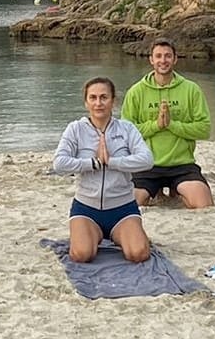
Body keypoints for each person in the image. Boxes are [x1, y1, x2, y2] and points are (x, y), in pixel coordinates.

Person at [50, 77, 156, 263]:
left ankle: (124, 234)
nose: (98, 103)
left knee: (138, 254)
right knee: (82, 255)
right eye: (93, 98)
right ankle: (93, 234)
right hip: (86, 208)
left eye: (104, 97)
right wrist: (94, 163)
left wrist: (112, 162)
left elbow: (147, 160)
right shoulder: (75, 129)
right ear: (86, 102)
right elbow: (59, 164)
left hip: (123, 208)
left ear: (113, 101)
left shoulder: (126, 129)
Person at [120, 38, 214, 208]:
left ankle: (176, 190)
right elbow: (124, 133)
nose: (163, 60)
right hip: (146, 165)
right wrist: (156, 125)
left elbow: (204, 129)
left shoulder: (191, 89)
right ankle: (155, 191)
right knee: (129, 205)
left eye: (168, 56)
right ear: (151, 59)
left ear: (175, 59)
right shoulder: (136, 92)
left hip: (182, 165)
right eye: (158, 56)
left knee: (203, 204)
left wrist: (172, 125)